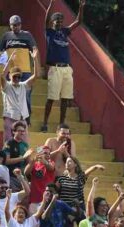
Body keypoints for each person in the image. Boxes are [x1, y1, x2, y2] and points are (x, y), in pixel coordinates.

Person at [41, 0, 85, 132]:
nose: (59, 23)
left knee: (65, 98)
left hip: (67, 68)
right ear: (53, 22)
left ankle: (61, 124)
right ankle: (45, 123)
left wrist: (81, 8)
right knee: (52, 98)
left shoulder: (65, 31)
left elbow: (78, 22)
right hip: (55, 68)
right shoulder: (49, 32)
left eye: (61, 21)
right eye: (57, 21)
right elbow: (46, 19)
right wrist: (50, 6)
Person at [1, 49, 39, 141]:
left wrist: (35, 59)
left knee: (24, 146)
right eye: (15, 76)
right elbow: (2, 76)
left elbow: (36, 75)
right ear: (10, 76)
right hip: (10, 119)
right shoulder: (7, 86)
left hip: (22, 120)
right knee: (8, 146)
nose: (17, 78)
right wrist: (10, 61)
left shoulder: (23, 85)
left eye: (19, 77)